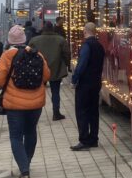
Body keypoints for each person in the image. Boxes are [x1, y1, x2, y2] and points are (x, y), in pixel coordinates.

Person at [0, 25, 50, 178]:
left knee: (16, 136)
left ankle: (24, 170)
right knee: (30, 132)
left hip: (14, 104)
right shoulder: (36, 54)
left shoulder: (7, 55)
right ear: (25, 39)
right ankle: (27, 162)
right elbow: (46, 75)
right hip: (36, 103)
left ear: (10, 40)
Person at [70, 22, 105, 151]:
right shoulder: (100, 46)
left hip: (85, 84)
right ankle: (94, 138)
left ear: (85, 32)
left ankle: (84, 140)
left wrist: (74, 79)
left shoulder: (86, 46)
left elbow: (82, 65)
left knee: (82, 111)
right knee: (93, 112)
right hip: (96, 83)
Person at [29, 21, 71, 121]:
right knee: (55, 92)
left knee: (37, 92)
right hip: (56, 70)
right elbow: (67, 54)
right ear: (52, 29)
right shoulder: (61, 40)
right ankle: (56, 113)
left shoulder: (34, 40)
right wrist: (67, 65)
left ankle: (34, 114)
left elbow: (29, 54)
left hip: (39, 70)